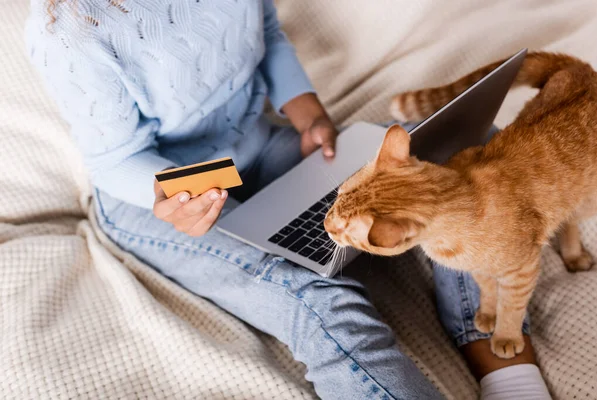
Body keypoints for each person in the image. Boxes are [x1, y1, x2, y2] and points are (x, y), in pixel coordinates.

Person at [26, 0, 552, 398]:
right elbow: (116, 159)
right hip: (155, 194)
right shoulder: (70, 32)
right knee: (316, 297)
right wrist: (177, 195)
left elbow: (269, 36)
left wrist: (309, 116)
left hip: (259, 148)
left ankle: (493, 345)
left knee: (459, 151)